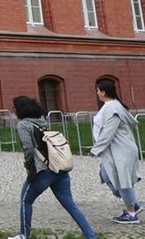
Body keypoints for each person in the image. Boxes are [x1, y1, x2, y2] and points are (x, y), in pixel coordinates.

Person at [10, 95, 96, 239]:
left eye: (14, 108)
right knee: (70, 205)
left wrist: (28, 166)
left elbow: (28, 148)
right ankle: (91, 236)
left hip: (43, 170)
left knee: (26, 200)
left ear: (20, 109)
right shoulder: (42, 121)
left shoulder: (23, 125)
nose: (13, 110)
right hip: (58, 167)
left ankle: (24, 235)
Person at [90, 79, 143, 224]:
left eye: (98, 90)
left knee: (121, 179)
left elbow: (108, 131)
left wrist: (96, 149)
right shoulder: (112, 106)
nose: (97, 93)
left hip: (121, 149)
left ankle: (131, 213)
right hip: (115, 149)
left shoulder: (112, 107)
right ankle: (133, 204)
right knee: (106, 174)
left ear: (103, 92)